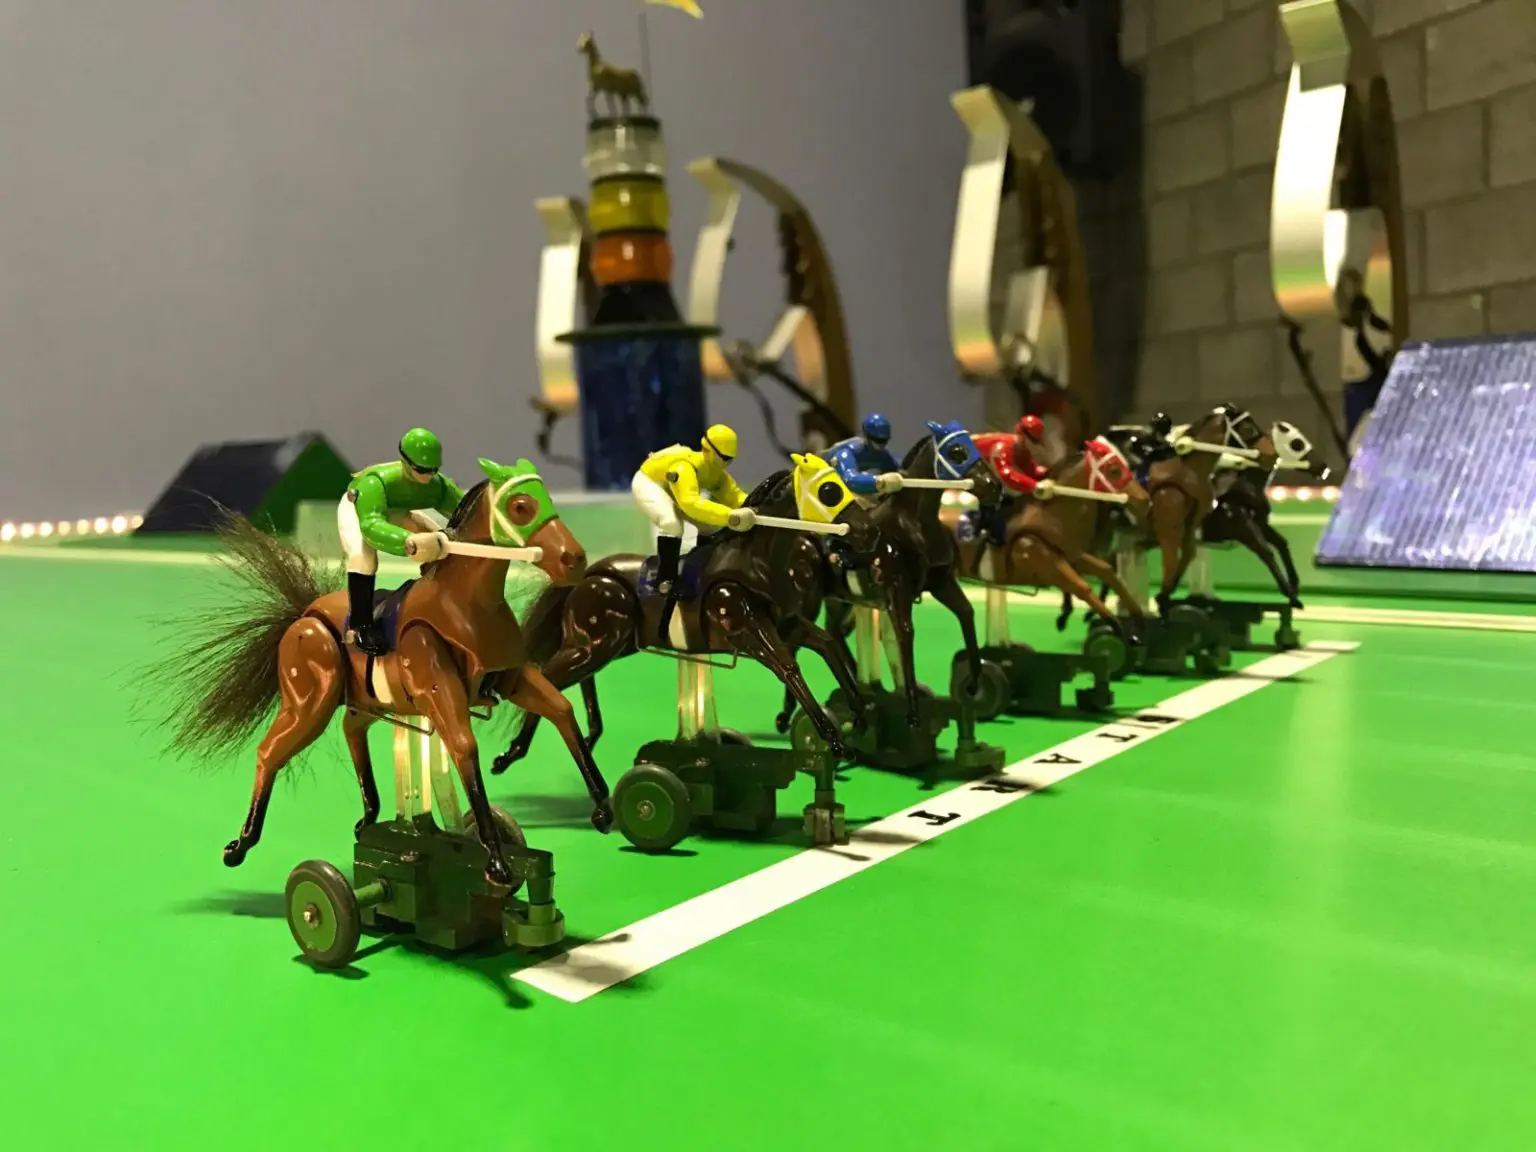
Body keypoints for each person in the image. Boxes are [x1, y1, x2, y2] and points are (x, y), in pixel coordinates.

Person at [339, 427, 466, 656]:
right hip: (360, 511)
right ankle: (360, 626)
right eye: (421, 470)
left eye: (433, 470)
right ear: (406, 463)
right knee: (364, 558)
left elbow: (466, 511)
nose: (427, 477)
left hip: (397, 511)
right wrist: (407, 541)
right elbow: (370, 526)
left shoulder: (438, 485)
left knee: (443, 543)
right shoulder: (374, 483)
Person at [631, 424, 752, 631]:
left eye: (729, 460)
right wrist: (729, 516)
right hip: (651, 484)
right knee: (671, 524)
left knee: (711, 527)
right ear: (708, 450)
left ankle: (702, 570)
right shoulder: (684, 467)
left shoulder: (716, 474)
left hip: (678, 490)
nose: (726, 464)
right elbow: (690, 504)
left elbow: (736, 497)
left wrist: (756, 508)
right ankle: (665, 580)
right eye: (723, 458)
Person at [970, 415, 1049, 543]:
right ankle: (987, 534)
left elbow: (1031, 469)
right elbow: (1006, 474)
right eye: (1033, 442)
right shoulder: (1002, 447)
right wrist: (1034, 486)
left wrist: (1049, 474)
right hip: (969, 464)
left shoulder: (1022, 449)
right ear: (1022, 436)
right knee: (992, 493)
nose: (1035, 447)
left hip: (984, 469)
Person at [827, 413, 900, 498]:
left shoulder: (884, 455)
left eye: (884, 441)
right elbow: (850, 479)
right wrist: (879, 481)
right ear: (866, 436)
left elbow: (897, 470)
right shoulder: (847, 452)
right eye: (877, 440)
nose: (881, 445)